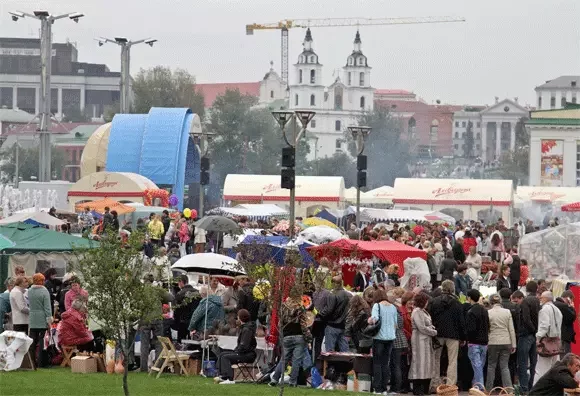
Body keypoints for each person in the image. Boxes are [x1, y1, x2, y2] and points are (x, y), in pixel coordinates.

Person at [269, 295, 312, 387]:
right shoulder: (300, 308)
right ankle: (292, 382)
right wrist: (309, 338)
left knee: (283, 360)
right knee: (296, 361)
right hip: (299, 337)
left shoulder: (283, 307)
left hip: (286, 336)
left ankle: (274, 379)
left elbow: (280, 323)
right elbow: (303, 326)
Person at [429, 279, 466, 386]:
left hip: (437, 334)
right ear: (453, 289)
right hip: (453, 335)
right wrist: (463, 337)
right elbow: (461, 322)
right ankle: (450, 385)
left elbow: (430, 318)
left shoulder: (434, 301)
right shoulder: (457, 303)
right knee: (452, 361)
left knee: (436, 359)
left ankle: (434, 383)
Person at [368, 288, 398, 394]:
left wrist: (369, 320)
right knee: (385, 363)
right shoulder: (393, 307)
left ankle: (378, 388)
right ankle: (385, 388)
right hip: (390, 338)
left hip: (379, 337)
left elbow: (374, 318)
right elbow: (396, 324)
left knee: (377, 363)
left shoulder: (377, 306)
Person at [512, 282, 541, 393]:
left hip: (525, 335)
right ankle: (531, 386)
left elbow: (526, 318)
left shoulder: (525, 302)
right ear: (536, 289)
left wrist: (532, 329)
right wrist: (536, 331)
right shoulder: (538, 301)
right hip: (534, 336)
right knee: (533, 363)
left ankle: (523, 388)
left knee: (523, 363)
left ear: (527, 289)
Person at [215, 309, 257, 385]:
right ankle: (222, 376)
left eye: (238, 317)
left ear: (240, 318)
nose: (237, 319)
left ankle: (229, 378)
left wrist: (237, 351)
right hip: (244, 353)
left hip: (247, 355)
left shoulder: (247, 329)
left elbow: (244, 345)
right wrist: (236, 351)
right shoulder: (245, 328)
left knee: (225, 357)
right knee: (222, 354)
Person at [409, 292, 438, 396]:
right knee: (419, 362)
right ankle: (418, 388)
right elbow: (421, 327)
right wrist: (433, 332)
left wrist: (431, 328)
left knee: (425, 363)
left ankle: (424, 388)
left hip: (425, 340)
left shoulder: (423, 311)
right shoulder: (417, 312)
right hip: (419, 340)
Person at [486, 293, 516, 390]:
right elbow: (511, 329)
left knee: (491, 366)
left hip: (493, 341)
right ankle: (509, 390)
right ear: (500, 301)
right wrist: (514, 344)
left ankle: (488, 389)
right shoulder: (507, 312)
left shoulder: (488, 312)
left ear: (491, 302)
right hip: (506, 341)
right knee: (504, 366)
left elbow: (487, 329)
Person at [535, 291, 563, 383]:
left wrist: (538, 337)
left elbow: (544, 326)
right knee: (554, 368)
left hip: (546, 342)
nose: (540, 299)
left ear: (546, 298)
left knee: (541, 368)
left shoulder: (544, 310)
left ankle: (538, 390)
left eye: (541, 297)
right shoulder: (557, 310)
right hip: (556, 342)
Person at [465, 289, 489, 391]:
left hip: (474, 342)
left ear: (469, 298)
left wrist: (467, 339)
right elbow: (488, 325)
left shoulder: (470, 312)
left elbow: (471, 329)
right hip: (484, 342)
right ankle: (475, 387)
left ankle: (479, 388)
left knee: (477, 366)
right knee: (480, 366)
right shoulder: (484, 310)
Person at [319, 276, 351, 353]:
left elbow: (329, 310)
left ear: (333, 283)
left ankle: (330, 365)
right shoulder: (349, 295)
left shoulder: (332, 294)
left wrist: (320, 315)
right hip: (343, 326)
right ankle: (347, 365)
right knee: (345, 351)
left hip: (332, 326)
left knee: (330, 352)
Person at [28, 273, 53, 367]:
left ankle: (31, 361)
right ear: (42, 281)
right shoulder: (44, 291)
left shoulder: (29, 290)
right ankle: (41, 362)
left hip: (32, 317)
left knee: (32, 342)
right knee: (43, 341)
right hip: (42, 317)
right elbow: (47, 307)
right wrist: (49, 319)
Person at [174, 275, 200, 341]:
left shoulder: (180, 294)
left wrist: (176, 322)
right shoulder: (197, 292)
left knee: (181, 342)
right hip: (195, 321)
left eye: (178, 282)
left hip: (183, 321)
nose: (178, 284)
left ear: (181, 282)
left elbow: (177, 309)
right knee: (193, 341)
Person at [554, 290, 576, 356]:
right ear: (568, 298)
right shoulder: (563, 306)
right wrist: (572, 307)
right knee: (565, 356)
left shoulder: (555, 303)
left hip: (557, 333)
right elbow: (572, 317)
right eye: (571, 300)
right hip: (564, 335)